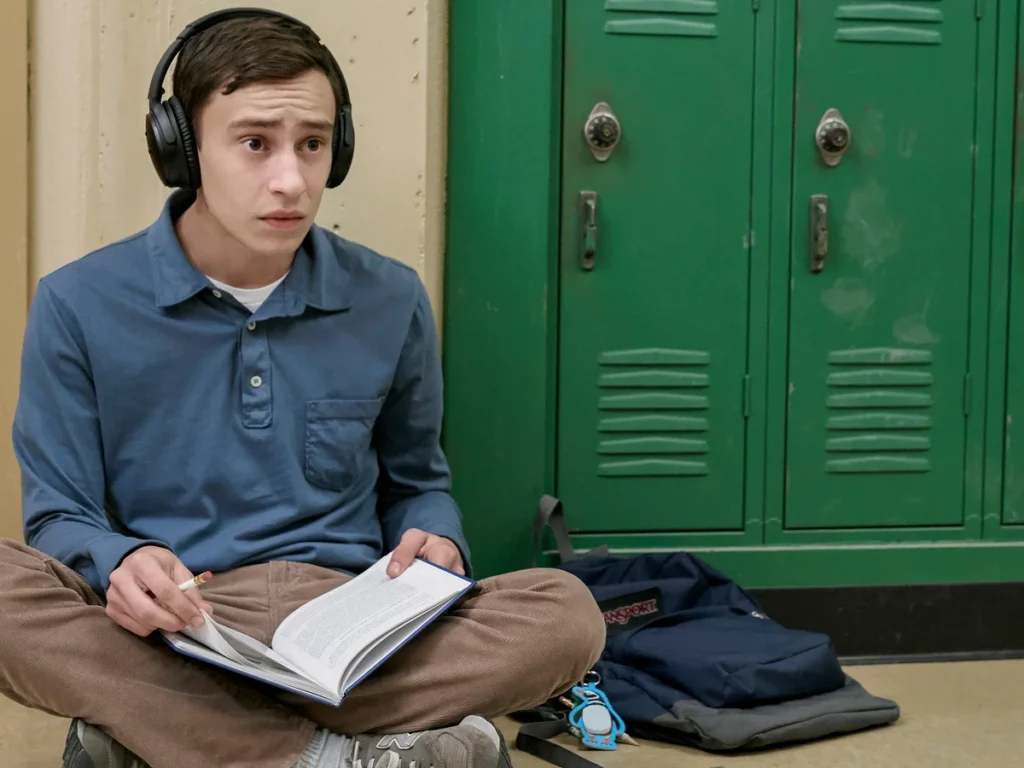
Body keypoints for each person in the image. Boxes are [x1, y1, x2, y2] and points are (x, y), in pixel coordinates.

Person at [0, 9, 605, 768]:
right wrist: (118, 560)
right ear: (182, 148)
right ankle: (337, 755)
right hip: (181, 626)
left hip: (355, 630)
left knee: (568, 614)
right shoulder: (76, 303)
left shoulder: (391, 297)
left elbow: (416, 483)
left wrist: (437, 534)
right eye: (255, 143)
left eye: (313, 144)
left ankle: (167, 729)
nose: (290, 180)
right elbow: (60, 516)